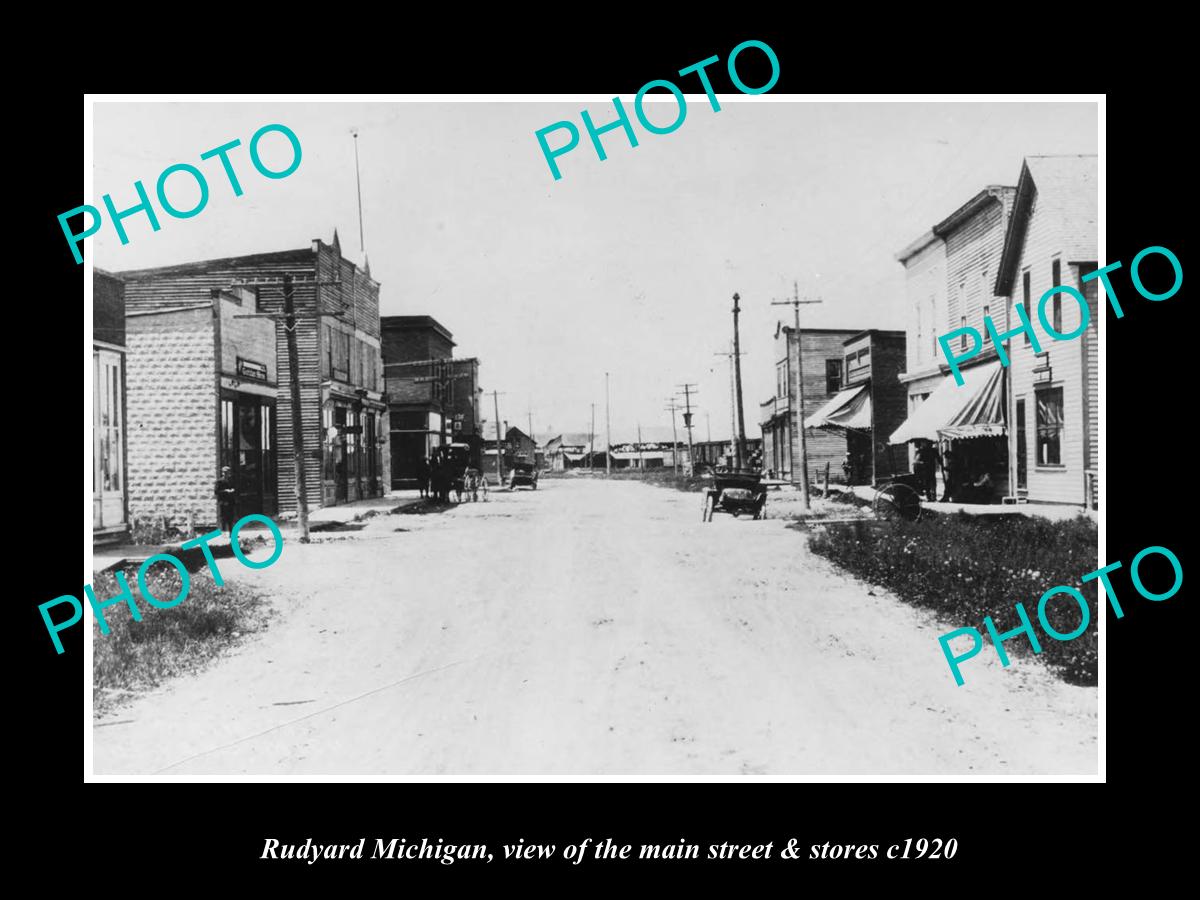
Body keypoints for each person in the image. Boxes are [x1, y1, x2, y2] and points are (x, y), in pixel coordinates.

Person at [215, 466, 236, 532]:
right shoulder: (219, 481)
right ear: (223, 473)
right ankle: (223, 531)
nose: (227, 474)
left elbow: (234, 487)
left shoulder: (231, 480)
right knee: (224, 517)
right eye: (225, 473)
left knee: (231, 517)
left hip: (230, 501)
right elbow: (216, 491)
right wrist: (225, 491)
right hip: (223, 501)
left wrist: (233, 490)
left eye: (228, 472)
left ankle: (231, 532)